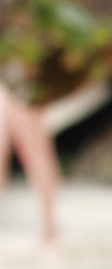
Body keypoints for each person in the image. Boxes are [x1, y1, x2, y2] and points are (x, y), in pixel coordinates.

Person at [0, 83, 60, 246]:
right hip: (9, 82)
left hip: (22, 83)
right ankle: (49, 229)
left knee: (35, 150)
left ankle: (49, 229)